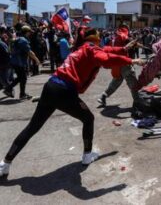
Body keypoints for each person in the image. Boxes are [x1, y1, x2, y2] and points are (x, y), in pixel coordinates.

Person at [0, 28, 144, 177]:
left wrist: (124, 48)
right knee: (88, 119)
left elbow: (107, 50)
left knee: (32, 127)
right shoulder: (93, 50)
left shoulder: (82, 48)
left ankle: (5, 163)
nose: (101, 40)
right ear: (95, 39)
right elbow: (106, 59)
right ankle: (87, 156)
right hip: (64, 91)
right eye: (99, 38)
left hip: (50, 86)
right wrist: (131, 60)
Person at [97, 25, 140, 106]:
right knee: (132, 82)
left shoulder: (113, 39)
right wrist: (137, 42)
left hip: (115, 64)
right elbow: (130, 43)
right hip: (124, 63)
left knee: (116, 82)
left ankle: (103, 96)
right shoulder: (123, 35)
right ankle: (137, 102)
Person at [4, 26, 40, 100]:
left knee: (22, 77)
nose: (30, 34)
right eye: (30, 32)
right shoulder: (23, 40)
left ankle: (20, 93)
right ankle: (11, 89)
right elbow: (29, 52)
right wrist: (36, 59)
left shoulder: (18, 38)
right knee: (22, 77)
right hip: (19, 62)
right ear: (26, 32)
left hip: (15, 61)